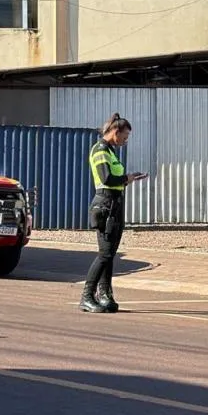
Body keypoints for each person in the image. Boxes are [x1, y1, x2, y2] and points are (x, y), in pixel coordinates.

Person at [79, 112, 148, 314]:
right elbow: (106, 178)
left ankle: (105, 294)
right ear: (115, 132)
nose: (125, 142)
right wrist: (127, 178)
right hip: (105, 205)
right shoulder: (100, 150)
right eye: (124, 137)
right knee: (104, 254)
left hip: (115, 205)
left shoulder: (110, 151)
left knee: (109, 255)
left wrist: (130, 178)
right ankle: (86, 296)